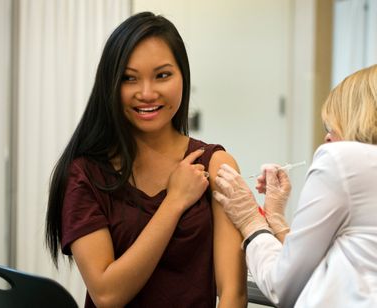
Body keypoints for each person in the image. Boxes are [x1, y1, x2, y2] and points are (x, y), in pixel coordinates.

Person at [45, 12, 246, 308]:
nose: (147, 93)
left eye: (162, 75)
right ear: (111, 85)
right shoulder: (85, 173)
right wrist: (175, 201)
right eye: (129, 78)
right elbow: (107, 295)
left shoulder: (216, 164)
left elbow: (233, 293)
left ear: (183, 77)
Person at [213, 64, 377, 307]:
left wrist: (251, 222)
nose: (327, 138)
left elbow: (283, 287)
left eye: (332, 126)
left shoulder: (342, 159)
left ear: (359, 116)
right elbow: (331, 262)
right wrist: (277, 220)